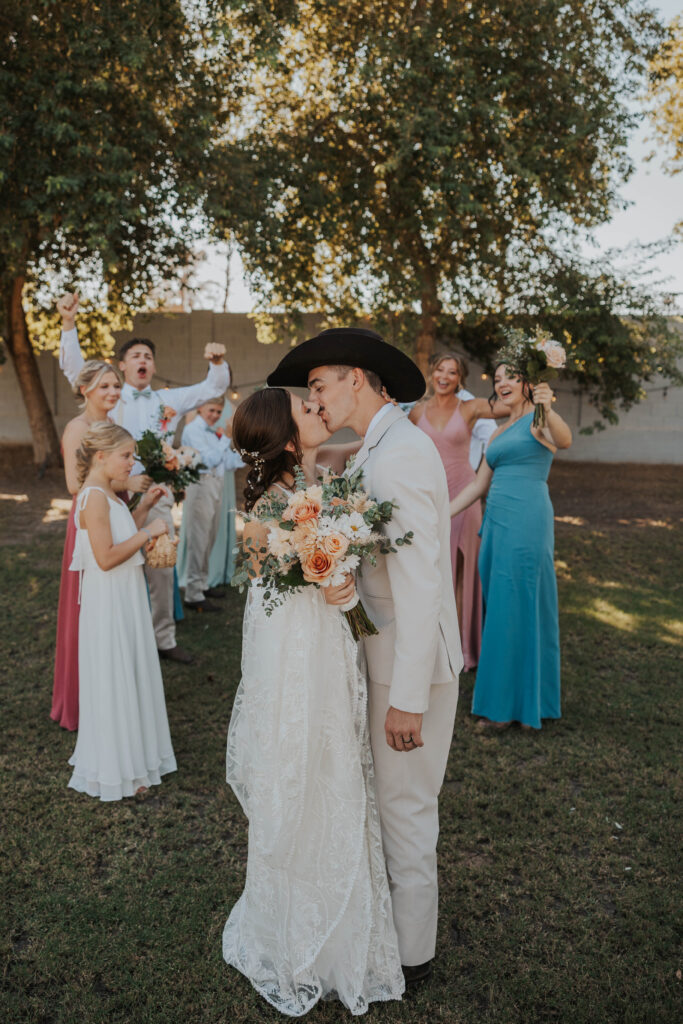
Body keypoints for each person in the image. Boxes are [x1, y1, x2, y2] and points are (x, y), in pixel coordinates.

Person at [267, 328, 462, 986]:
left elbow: (419, 582)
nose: (314, 399)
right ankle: (389, 936)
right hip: (375, 660)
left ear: (356, 378)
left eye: (318, 385)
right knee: (384, 803)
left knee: (405, 807)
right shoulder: (377, 447)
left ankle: (413, 956)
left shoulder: (400, 454)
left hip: (409, 672)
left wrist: (407, 695)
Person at [222, 387, 404, 1016]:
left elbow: (355, 452)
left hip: (324, 641)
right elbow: (270, 573)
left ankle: (338, 915)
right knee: (299, 764)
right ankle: (292, 928)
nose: (317, 408)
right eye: (306, 407)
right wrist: (326, 568)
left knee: (332, 762)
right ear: (288, 437)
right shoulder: (274, 506)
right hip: (295, 652)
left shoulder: (318, 481)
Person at [56, 292, 230, 664]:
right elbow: (76, 373)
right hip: (113, 499)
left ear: (152, 367)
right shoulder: (109, 396)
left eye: (148, 357)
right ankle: (128, 642)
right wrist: (68, 324)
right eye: (135, 355)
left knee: (162, 570)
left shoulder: (167, 400)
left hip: (154, 497)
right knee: (119, 569)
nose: (143, 360)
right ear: (122, 365)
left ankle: (164, 639)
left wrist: (217, 363)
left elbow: (212, 389)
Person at [448, 365, 573, 731]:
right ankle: (515, 700)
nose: (502, 383)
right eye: (497, 378)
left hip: (526, 522)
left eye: (511, 377)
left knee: (519, 606)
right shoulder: (498, 431)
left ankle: (505, 708)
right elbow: (477, 485)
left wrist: (546, 406)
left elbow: (564, 441)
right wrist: (440, 514)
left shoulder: (539, 420)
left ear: (528, 385)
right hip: (496, 525)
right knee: (501, 607)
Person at [68, 423, 177, 800]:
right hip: (109, 600)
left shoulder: (109, 493)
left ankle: (135, 759)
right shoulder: (93, 496)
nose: (133, 463)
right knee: (115, 673)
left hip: (124, 595)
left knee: (129, 668)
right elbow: (105, 557)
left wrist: (144, 508)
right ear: (101, 456)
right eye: (126, 456)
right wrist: (150, 533)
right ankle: (117, 767)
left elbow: (118, 536)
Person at [51, 359, 148, 731]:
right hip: (91, 518)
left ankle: (113, 686)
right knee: (85, 607)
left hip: (114, 510)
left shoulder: (110, 427)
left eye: (116, 386)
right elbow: (76, 486)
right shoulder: (77, 428)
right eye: (104, 386)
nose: (112, 392)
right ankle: (79, 701)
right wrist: (127, 485)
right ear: (85, 389)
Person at [409, 352, 507, 671]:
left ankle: (463, 649)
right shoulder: (416, 411)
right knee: (433, 569)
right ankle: (434, 644)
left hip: (465, 493)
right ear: (431, 373)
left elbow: (512, 406)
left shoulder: (471, 407)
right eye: (440, 369)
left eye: (452, 372)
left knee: (463, 572)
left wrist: (529, 381)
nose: (445, 376)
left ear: (460, 379)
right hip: (428, 496)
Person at [176, 397, 244, 612]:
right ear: (200, 408)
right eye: (211, 410)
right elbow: (207, 460)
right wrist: (227, 439)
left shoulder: (214, 433)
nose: (214, 415)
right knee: (199, 539)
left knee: (210, 537)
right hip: (200, 486)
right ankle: (193, 594)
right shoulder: (193, 430)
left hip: (216, 486)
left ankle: (202, 584)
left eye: (217, 411)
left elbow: (227, 462)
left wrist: (249, 455)